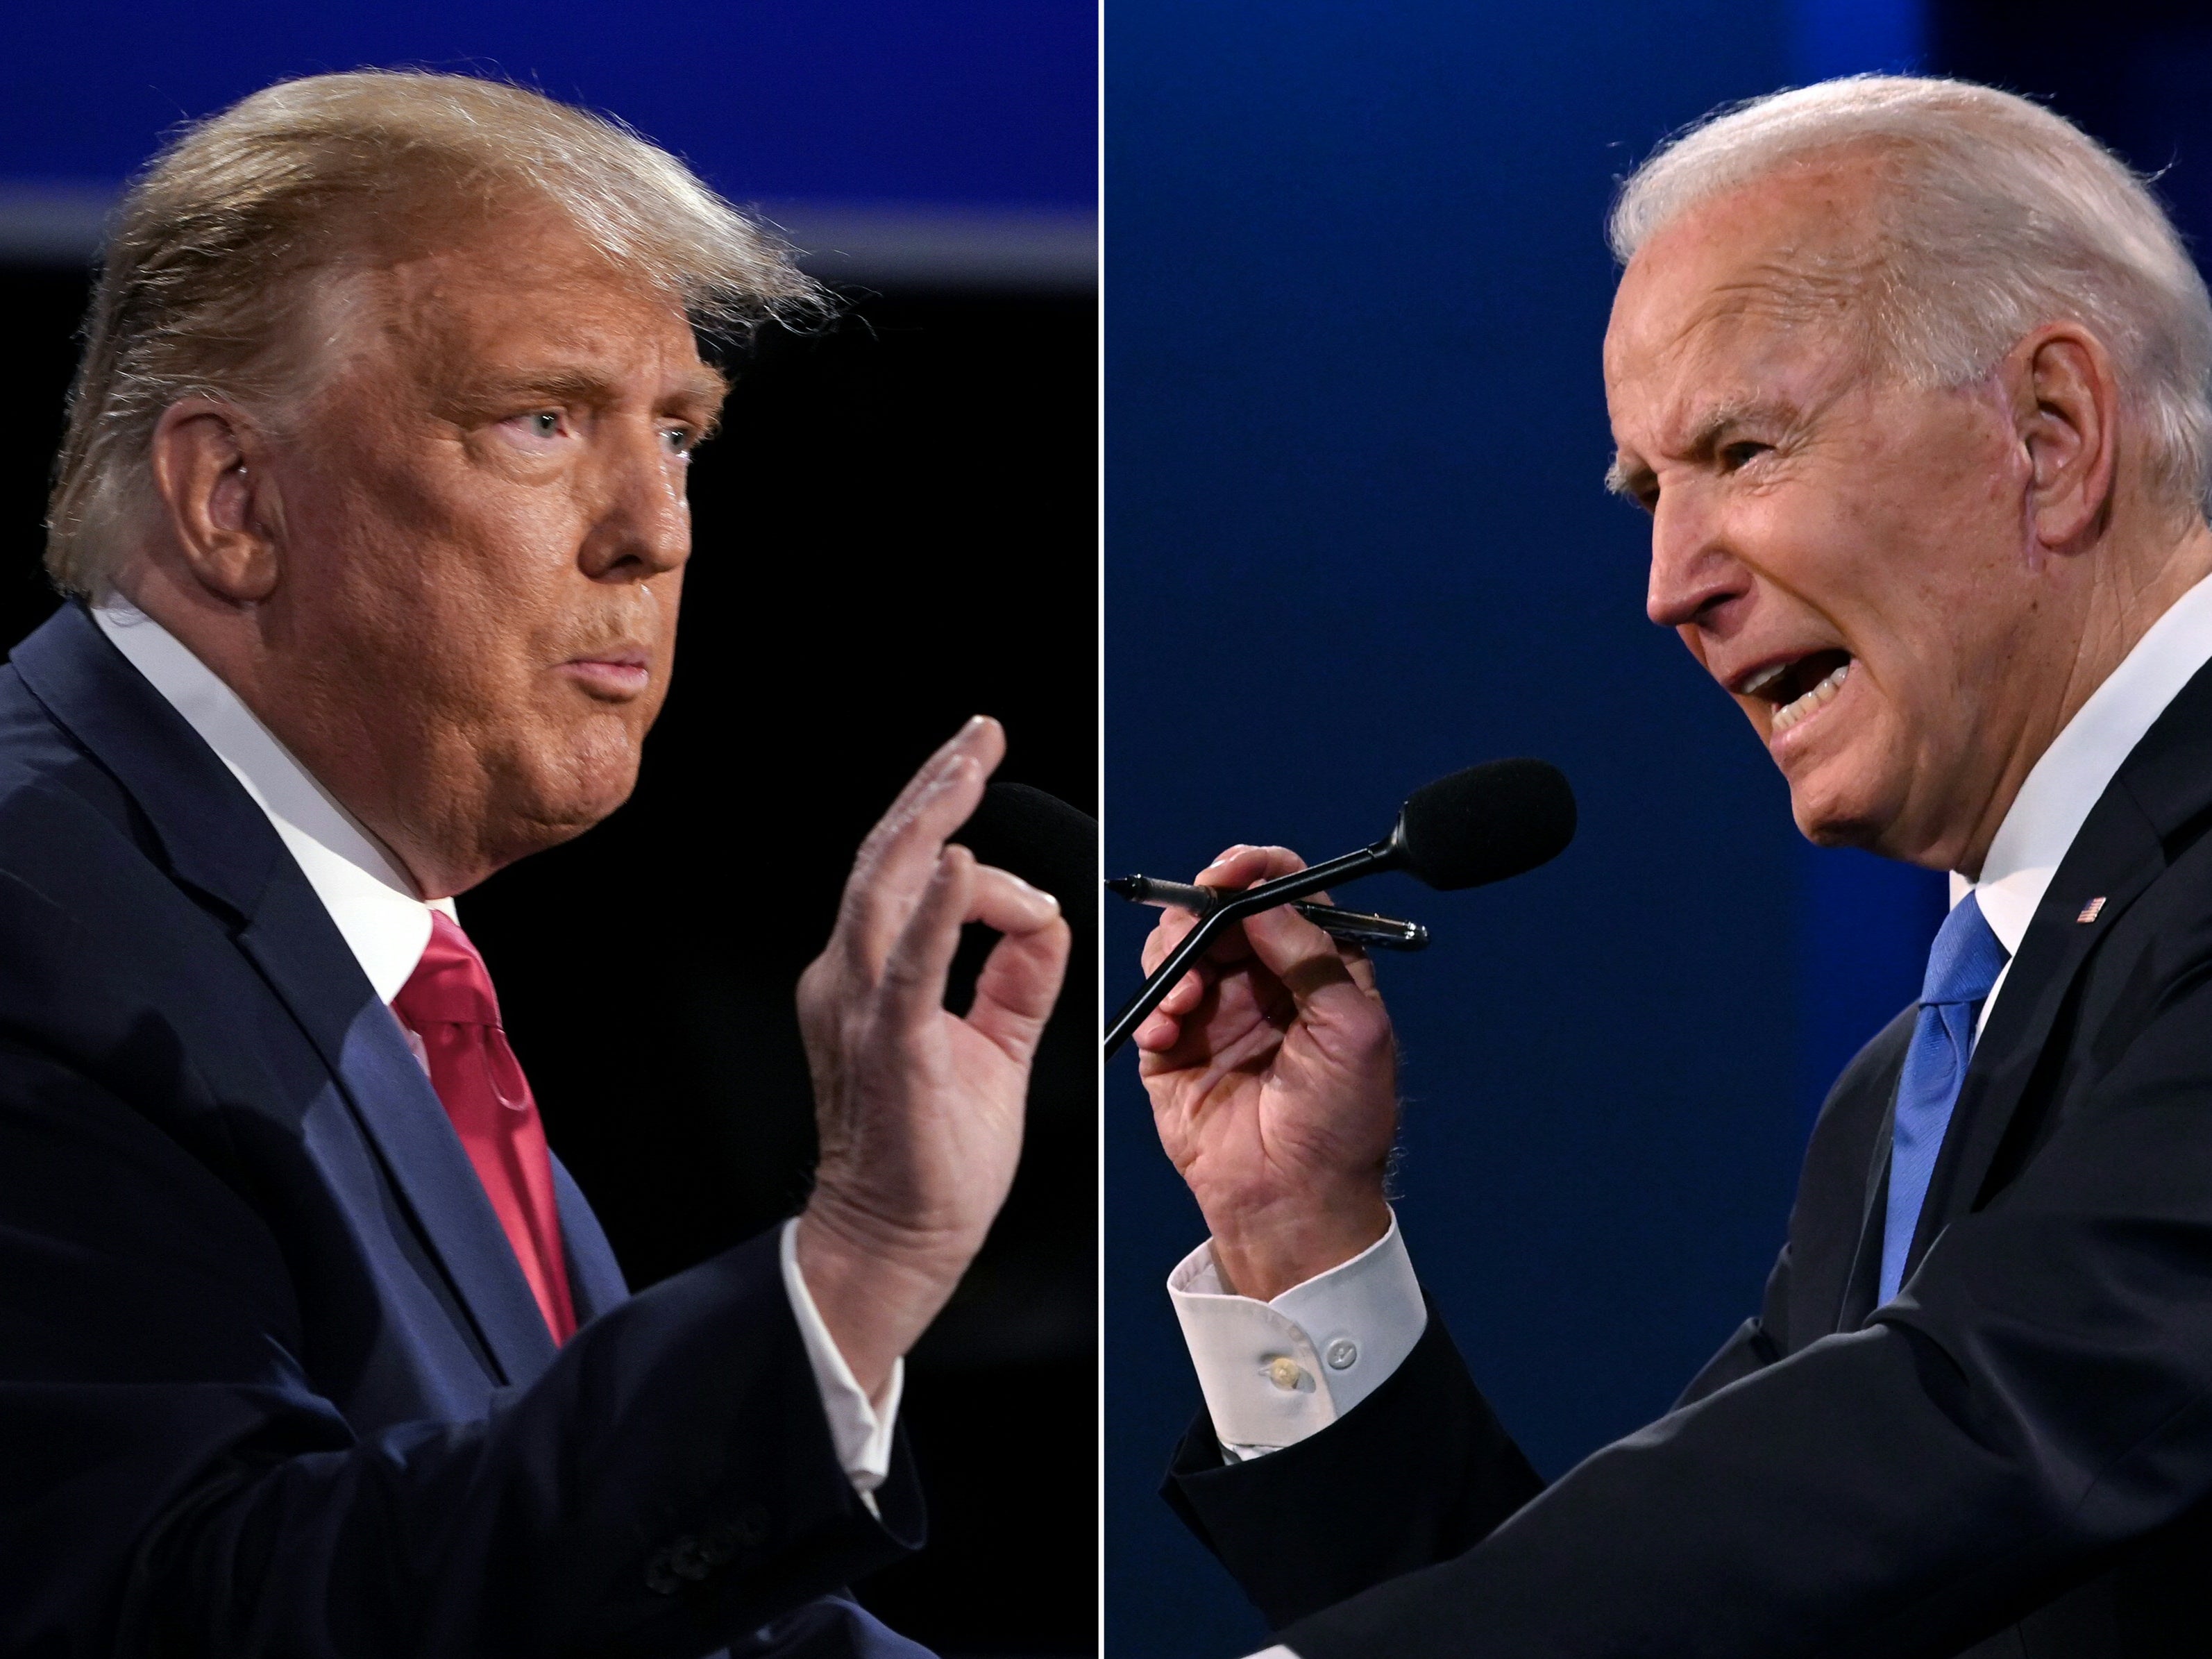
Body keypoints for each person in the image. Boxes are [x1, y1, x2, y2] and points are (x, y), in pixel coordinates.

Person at [1134, 76, 2212, 1657]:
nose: (1668, 586)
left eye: (1743, 448)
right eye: (1650, 494)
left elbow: (1998, 1413)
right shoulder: (1909, 1086)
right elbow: (1715, 1594)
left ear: (2047, 434)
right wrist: (1301, 1240)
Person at [0, 71, 1071, 1658]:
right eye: (540, 421)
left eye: (681, 433)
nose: (655, 528)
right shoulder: (37, 919)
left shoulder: (340, 938)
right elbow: (203, 1609)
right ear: (233, 500)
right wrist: (854, 1261)